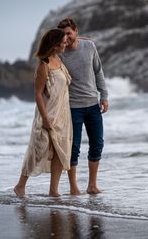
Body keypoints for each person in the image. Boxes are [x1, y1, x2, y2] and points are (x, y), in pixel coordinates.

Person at [14, 29, 72, 197]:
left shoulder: (59, 60)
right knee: (38, 149)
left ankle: (53, 190)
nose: (66, 44)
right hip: (47, 115)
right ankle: (20, 185)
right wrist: (45, 118)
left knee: (60, 153)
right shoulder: (44, 65)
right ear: (54, 45)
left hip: (62, 115)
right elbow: (38, 94)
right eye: (63, 42)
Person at [57, 17, 109, 195]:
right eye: (63, 34)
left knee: (97, 144)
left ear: (76, 31)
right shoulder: (59, 53)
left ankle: (92, 185)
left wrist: (104, 95)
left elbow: (98, 71)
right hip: (72, 108)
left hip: (93, 104)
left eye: (69, 33)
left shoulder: (89, 46)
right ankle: (73, 188)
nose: (66, 37)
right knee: (73, 148)